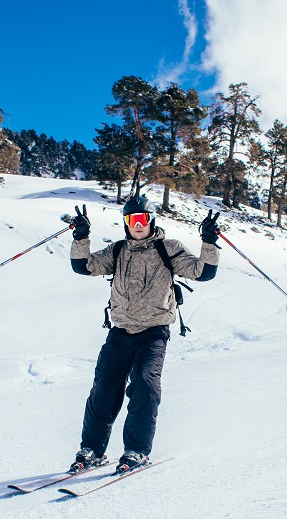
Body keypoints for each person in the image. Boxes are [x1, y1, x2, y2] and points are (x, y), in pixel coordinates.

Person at [68, 195, 221, 473]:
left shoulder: (168, 249)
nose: (137, 225)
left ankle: (136, 451)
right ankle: (91, 450)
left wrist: (208, 242)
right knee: (103, 389)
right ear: (126, 223)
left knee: (144, 385)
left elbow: (203, 272)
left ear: (150, 220)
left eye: (142, 219)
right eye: (131, 220)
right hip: (119, 332)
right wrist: (81, 236)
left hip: (153, 332)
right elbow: (84, 266)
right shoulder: (117, 251)